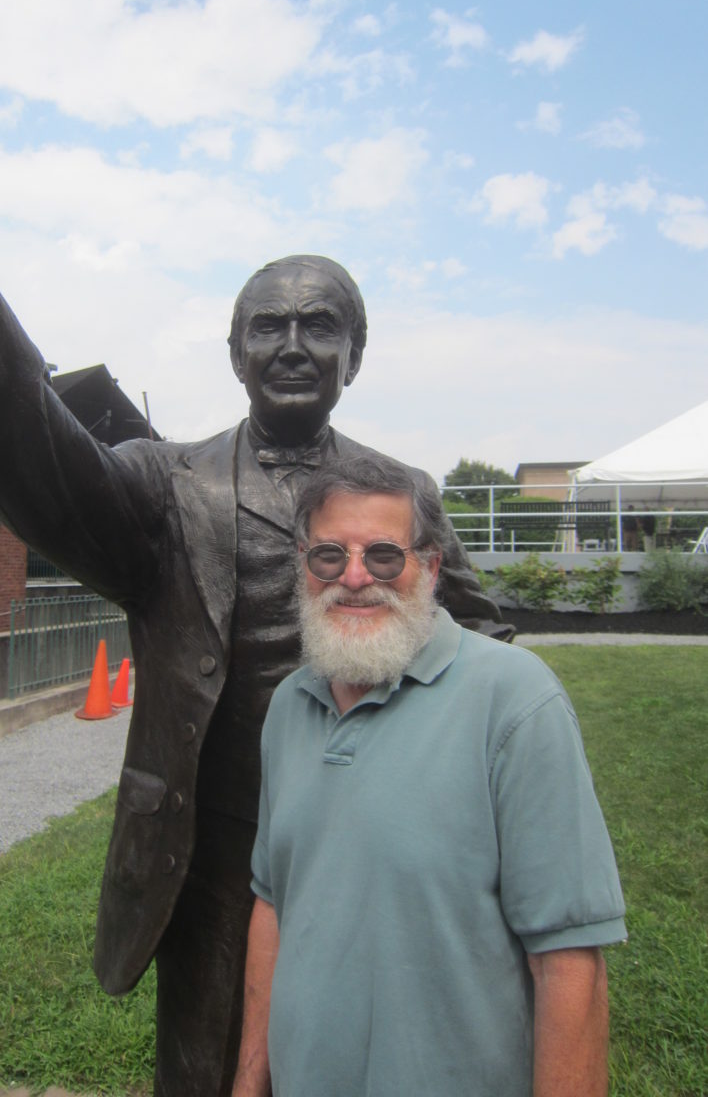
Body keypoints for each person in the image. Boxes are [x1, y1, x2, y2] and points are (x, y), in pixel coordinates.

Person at [0, 141, 512, 1096]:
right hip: (213, 854)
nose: (292, 346)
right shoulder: (163, 486)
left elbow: (487, 646)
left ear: (355, 354)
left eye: (321, 326)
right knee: (208, 1065)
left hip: (375, 840)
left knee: (368, 1053)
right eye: (267, 327)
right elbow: (46, 463)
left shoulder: (406, 494)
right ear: (234, 354)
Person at [234, 454, 626, 1097]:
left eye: (385, 556)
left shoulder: (516, 701)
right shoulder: (288, 706)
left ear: (432, 566)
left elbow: (569, 959)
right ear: (304, 567)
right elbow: (274, 904)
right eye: (329, 555)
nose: (355, 578)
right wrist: (250, 1084)